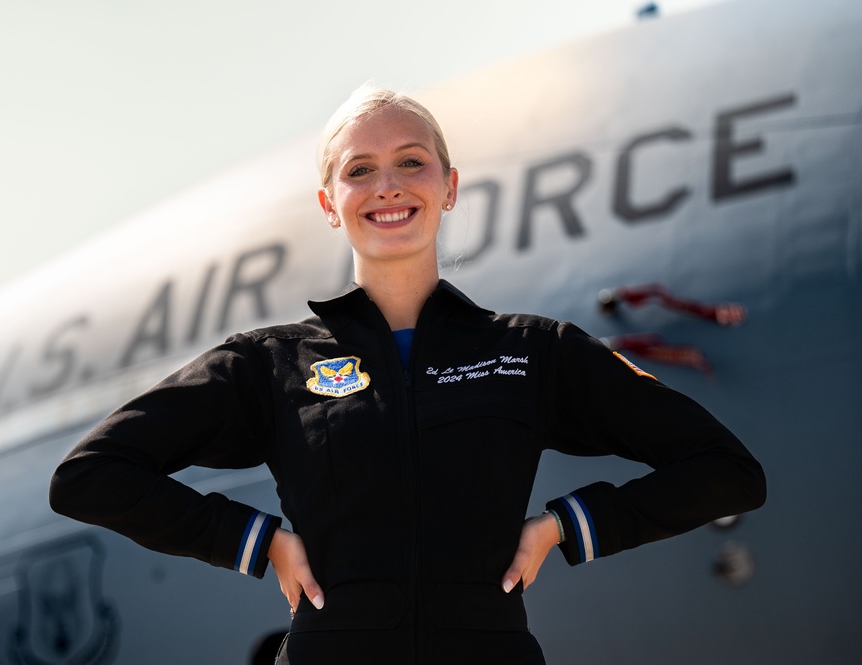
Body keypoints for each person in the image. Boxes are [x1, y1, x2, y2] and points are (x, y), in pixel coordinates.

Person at [49, 86, 766, 664]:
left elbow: (726, 470)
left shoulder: (530, 351)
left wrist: (564, 527)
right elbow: (91, 473)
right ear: (331, 203)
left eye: (412, 162)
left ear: (449, 187)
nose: (387, 185)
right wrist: (257, 539)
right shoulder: (269, 363)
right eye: (359, 169)